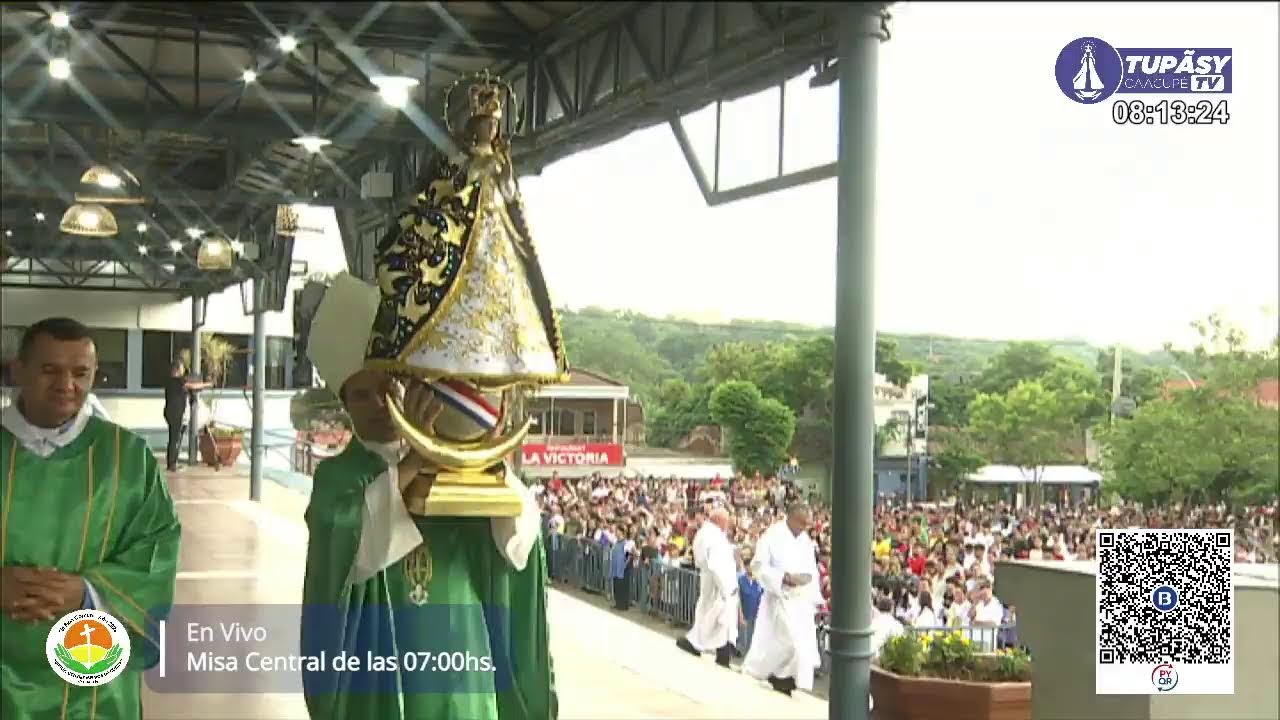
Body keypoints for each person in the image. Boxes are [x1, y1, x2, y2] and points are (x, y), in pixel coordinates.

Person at [300, 272, 557, 720]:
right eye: (362, 394)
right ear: (344, 403)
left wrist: (476, 456)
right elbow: (346, 544)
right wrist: (416, 459)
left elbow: (518, 542)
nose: (379, 403)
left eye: (387, 387)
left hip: (465, 658)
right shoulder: (338, 477)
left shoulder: (454, 461)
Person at [0, 317, 181, 719]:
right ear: (18, 370)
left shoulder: (127, 457)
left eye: (81, 372)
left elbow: (157, 547)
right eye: (50, 370)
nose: (67, 384)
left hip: (91, 671)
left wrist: (86, 594)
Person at [742, 503, 824, 696]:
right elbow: (758, 566)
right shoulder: (772, 535)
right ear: (792, 518)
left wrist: (807, 580)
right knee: (787, 641)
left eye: (807, 524)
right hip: (778, 597)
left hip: (800, 600)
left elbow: (812, 570)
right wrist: (783, 578)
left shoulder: (805, 541)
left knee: (801, 645)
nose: (804, 528)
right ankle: (770, 672)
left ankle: (786, 677)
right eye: (802, 523)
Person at [676, 507, 739, 667]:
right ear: (719, 520)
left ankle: (723, 651)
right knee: (713, 615)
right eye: (726, 521)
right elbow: (716, 564)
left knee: (720, 619)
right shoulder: (713, 535)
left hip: (715, 582)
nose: (728, 524)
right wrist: (725, 587)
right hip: (717, 584)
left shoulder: (708, 533)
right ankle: (696, 643)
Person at [163, 360, 187, 471]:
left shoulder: (170, 381)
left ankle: (172, 462)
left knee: (174, 437)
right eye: (182, 368)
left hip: (171, 411)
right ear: (177, 369)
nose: (184, 370)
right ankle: (172, 464)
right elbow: (191, 385)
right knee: (174, 438)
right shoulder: (177, 381)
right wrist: (208, 384)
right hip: (175, 413)